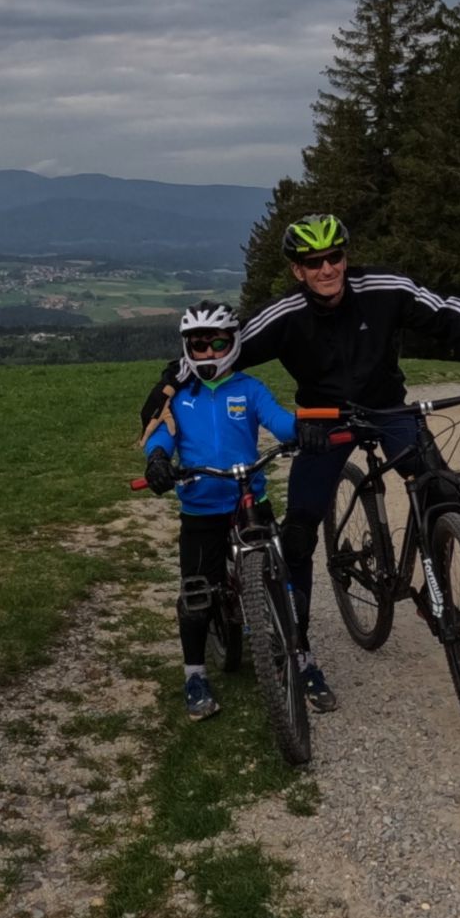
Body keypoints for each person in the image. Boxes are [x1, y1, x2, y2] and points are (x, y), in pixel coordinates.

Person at [145, 213, 460, 711]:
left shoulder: (385, 288)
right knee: (299, 533)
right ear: (298, 270)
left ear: (346, 257)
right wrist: (168, 384)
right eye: (313, 262)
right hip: (323, 423)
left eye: (335, 257)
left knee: (441, 490)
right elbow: (220, 348)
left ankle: (439, 595)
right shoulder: (284, 314)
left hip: (389, 411)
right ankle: (297, 647)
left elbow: (445, 311)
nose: (327, 268)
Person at [141, 306, 297, 719]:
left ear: (233, 343)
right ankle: (195, 674)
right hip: (200, 506)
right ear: (187, 347)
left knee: (281, 579)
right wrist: (157, 458)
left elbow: (279, 422)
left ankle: (295, 651)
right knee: (196, 595)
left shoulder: (249, 388)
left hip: (248, 501)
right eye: (198, 345)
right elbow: (161, 434)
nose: (208, 352)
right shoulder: (180, 394)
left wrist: (303, 430)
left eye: (218, 343)